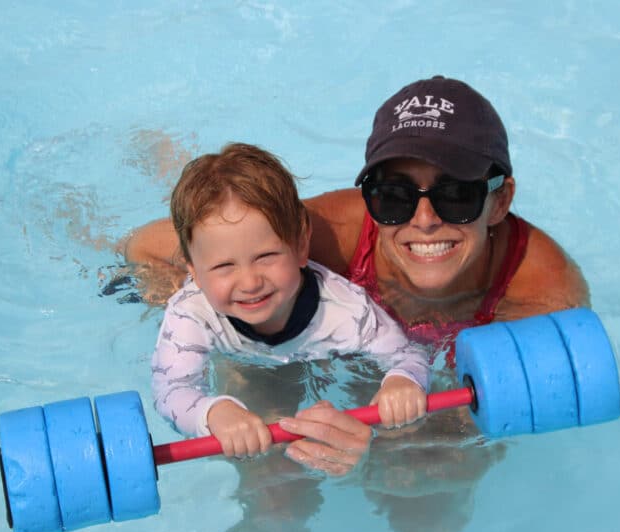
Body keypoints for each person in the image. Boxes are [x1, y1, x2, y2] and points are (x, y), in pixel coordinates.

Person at [123, 75, 589, 473]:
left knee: (435, 491)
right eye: (393, 195)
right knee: (269, 483)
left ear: (500, 202)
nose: (424, 219)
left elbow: (498, 420)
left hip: (391, 376)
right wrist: (199, 309)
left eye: (456, 195)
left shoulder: (540, 291)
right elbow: (147, 248)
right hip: (284, 350)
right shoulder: (326, 235)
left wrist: (379, 448)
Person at [152, 142, 430, 458]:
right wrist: (213, 412)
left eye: (266, 256)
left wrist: (402, 381)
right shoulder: (190, 313)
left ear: (300, 246)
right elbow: (171, 390)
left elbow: (406, 354)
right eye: (224, 266)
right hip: (238, 357)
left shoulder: (347, 312)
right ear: (195, 273)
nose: (250, 282)